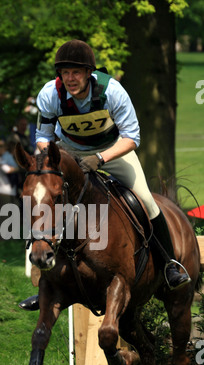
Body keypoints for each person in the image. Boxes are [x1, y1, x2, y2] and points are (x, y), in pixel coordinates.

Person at [19, 39, 190, 310]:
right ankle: (47, 283)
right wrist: (54, 159)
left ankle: (170, 264)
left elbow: (132, 137)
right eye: (65, 73)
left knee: (145, 200)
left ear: (89, 73)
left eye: (76, 72)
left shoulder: (113, 92)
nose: (70, 78)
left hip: (113, 151)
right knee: (48, 199)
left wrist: (99, 159)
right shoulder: (50, 94)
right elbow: (43, 136)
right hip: (69, 152)